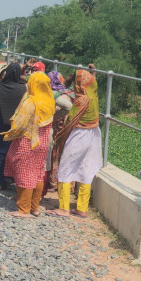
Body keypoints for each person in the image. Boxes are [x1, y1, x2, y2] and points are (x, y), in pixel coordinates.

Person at [2, 72, 56, 217]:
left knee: (24, 173)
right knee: (37, 174)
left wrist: (9, 132)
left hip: (28, 141)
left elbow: (19, 123)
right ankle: (34, 207)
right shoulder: (50, 101)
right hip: (42, 143)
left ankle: (23, 209)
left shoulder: (31, 102)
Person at [49, 69, 101, 218]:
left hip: (79, 135)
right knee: (86, 170)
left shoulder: (81, 101)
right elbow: (93, 83)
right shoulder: (94, 96)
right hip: (94, 135)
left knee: (65, 169)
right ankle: (82, 208)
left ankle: (64, 208)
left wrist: (60, 137)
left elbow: (70, 121)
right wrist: (93, 72)